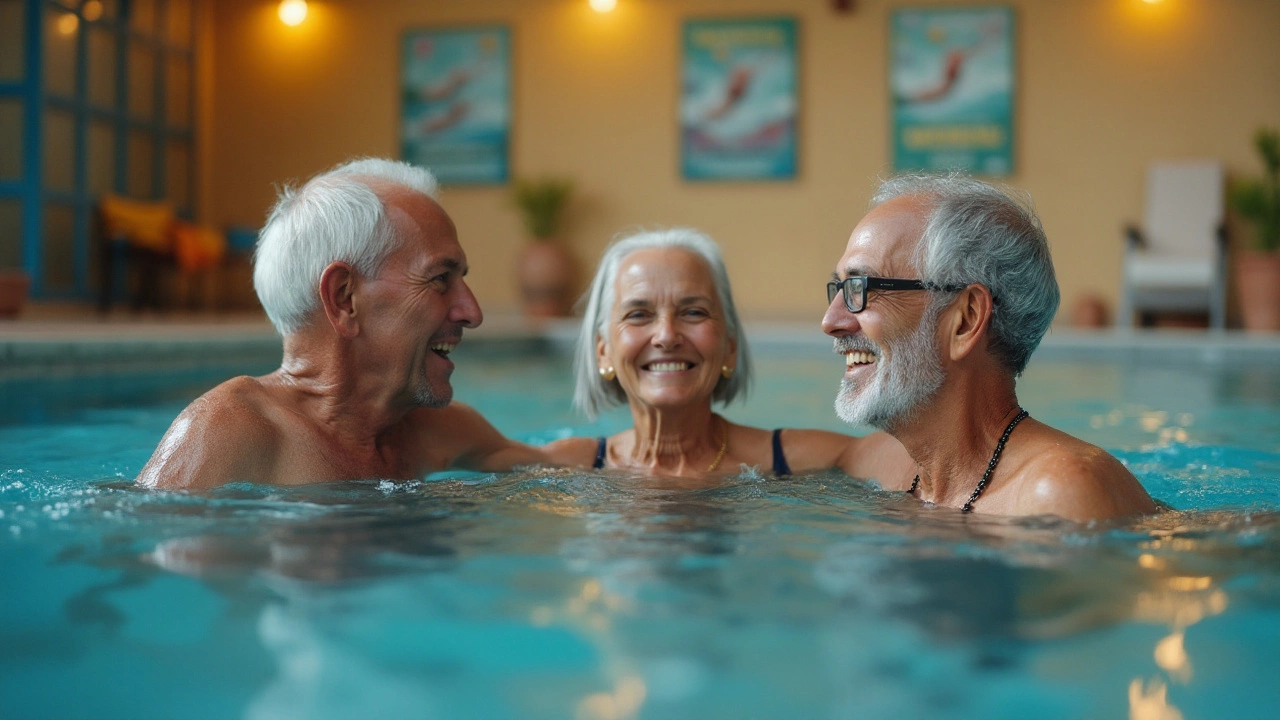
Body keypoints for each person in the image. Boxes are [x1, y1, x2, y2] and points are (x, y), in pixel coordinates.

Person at [138, 158, 549, 490]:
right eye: (440, 279)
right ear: (344, 299)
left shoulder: (432, 429)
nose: (472, 312)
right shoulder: (232, 434)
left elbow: (573, 461)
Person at [823, 173, 1157, 521]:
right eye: (840, 287)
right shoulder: (895, 467)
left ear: (966, 319)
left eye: (862, 287)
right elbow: (778, 452)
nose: (830, 321)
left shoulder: (1059, 496)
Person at [545, 228, 913, 480]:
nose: (667, 335)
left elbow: (930, 458)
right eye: (638, 314)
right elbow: (487, 453)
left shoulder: (795, 459)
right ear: (603, 352)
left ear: (730, 347)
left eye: (693, 312)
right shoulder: (569, 463)